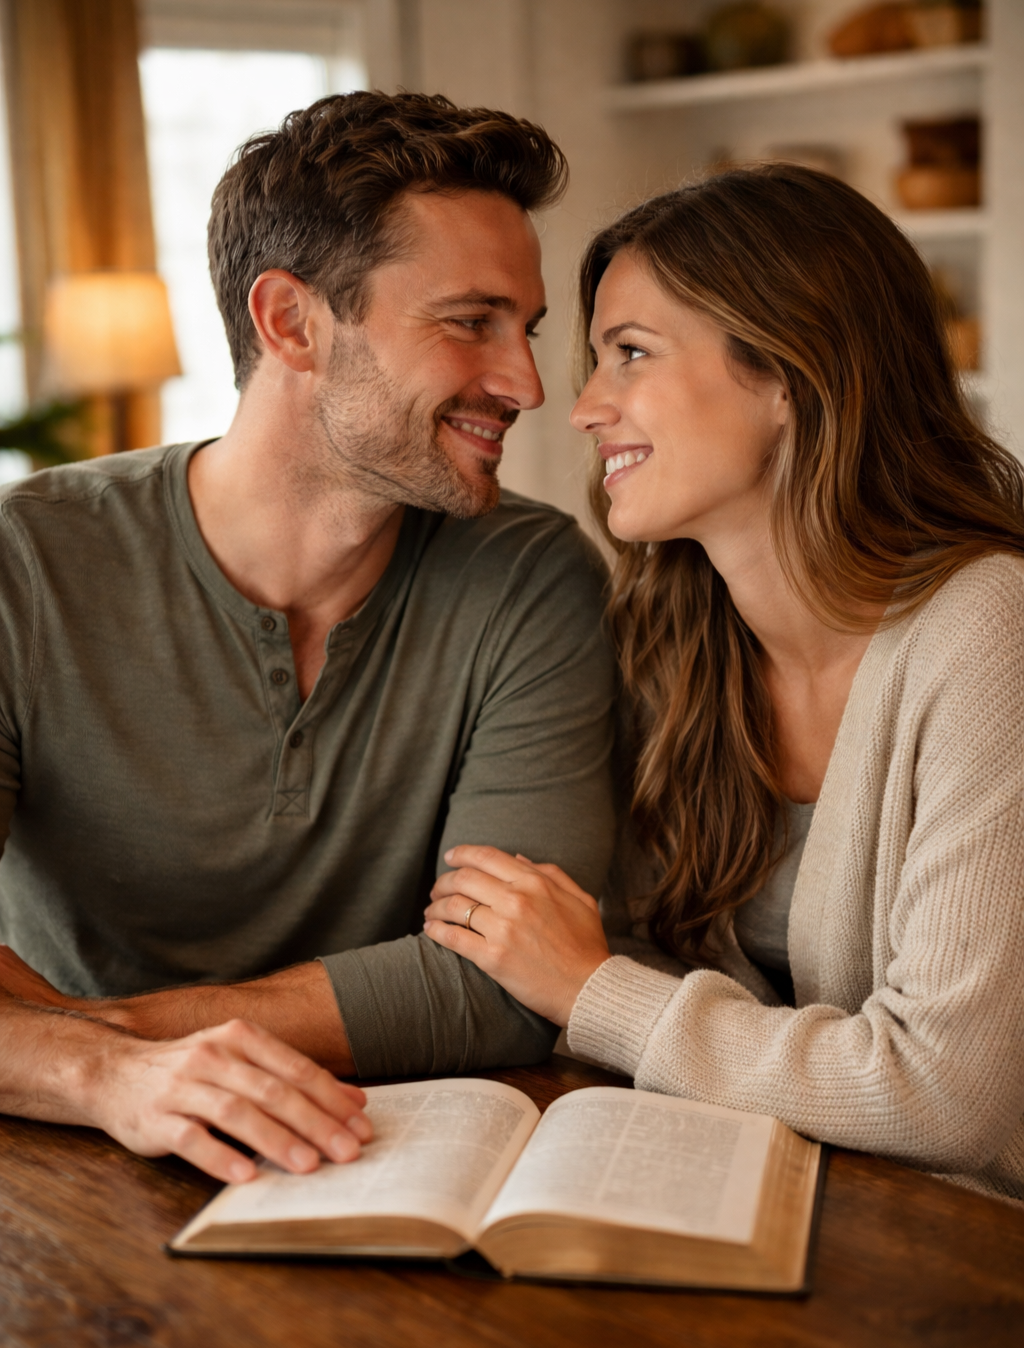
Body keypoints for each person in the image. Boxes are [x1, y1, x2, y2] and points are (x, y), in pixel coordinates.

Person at [0, 93, 615, 1185]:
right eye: (470, 321)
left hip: (379, 1154)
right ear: (290, 322)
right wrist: (103, 1080)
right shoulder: (27, 561)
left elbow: (506, 982)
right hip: (52, 1163)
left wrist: (77, 1036)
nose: (525, 384)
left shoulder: (532, 575)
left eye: (525, 329)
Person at [424, 164, 1024, 1204]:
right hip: (799, 1199)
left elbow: (940, 1096)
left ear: (787, 372)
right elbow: (637, 935)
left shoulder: (985, 630)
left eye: (631, 356)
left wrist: (589, 992)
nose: (582, 408)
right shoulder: (674, 640)